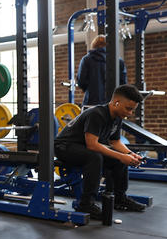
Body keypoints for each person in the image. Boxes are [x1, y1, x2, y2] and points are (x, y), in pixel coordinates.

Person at [54, 84, 147, 217]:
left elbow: (115, 141)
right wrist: (121, 156)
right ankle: (86, 204)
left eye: (132, 110)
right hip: (64, 147)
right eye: (128, 109)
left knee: (119, 158)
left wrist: (130, 155)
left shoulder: (117, 118)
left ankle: (119, 198)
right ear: (116, 102)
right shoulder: (97, 114)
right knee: (95, 157)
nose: (130, 113)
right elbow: (92, 145)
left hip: (83, 146)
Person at [77, 34, 128, 109]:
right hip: (114, 103)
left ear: (94, 45)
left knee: (92, 120)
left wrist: (89, 89)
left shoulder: (86, 59)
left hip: (91, 102)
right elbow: (123, 83)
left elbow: (81, 81)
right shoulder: (118, 61)